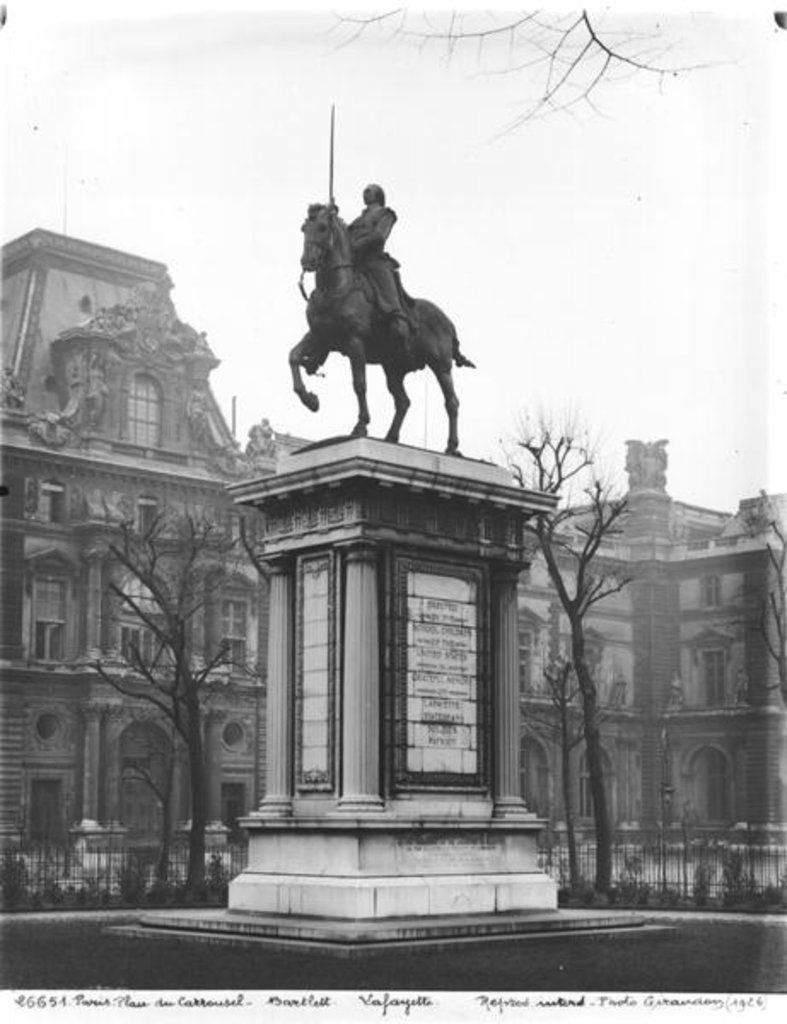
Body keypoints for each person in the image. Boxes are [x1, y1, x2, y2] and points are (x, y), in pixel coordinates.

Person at [347, 184, 415, 357]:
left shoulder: (386, 214)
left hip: (375, 261)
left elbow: (379, 236)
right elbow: (345, 235)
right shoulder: (358, 219)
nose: (365, 192)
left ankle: (397, 318)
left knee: (385, 285)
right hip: (356, 263)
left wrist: (357, 244)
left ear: (378, 195)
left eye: (369, 190)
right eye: (364, 190)